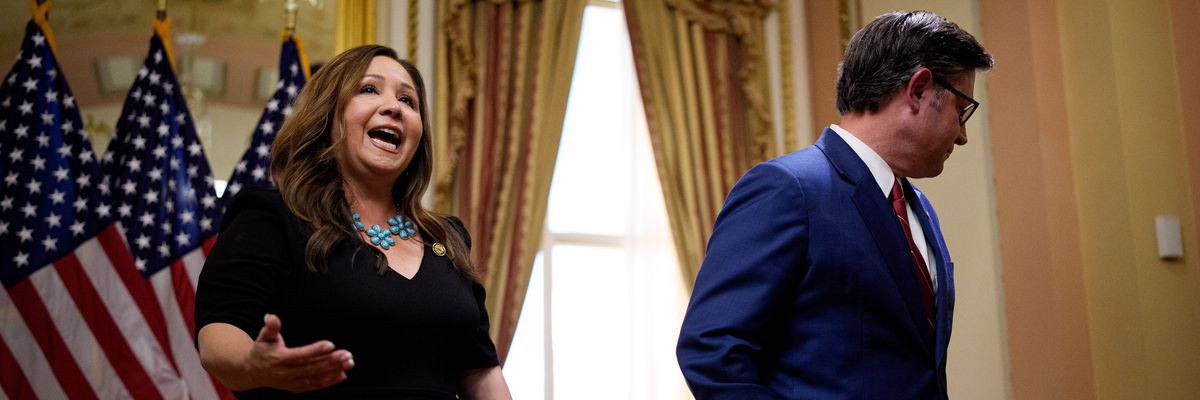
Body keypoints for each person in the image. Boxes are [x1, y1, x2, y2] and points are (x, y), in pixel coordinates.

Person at [675, 11, 994, 399]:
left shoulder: (920, 208)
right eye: (961, 112)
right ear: (920, 89)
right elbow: (712, 348)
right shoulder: (787, 188)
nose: (962, 135)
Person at [195, 45, 512, 399]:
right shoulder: (271, 217)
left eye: (408, 100)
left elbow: (482, 373)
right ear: (327, 117)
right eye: (369, 89)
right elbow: (218, 337)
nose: (394, 106)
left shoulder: (448, 238)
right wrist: (255, 364)